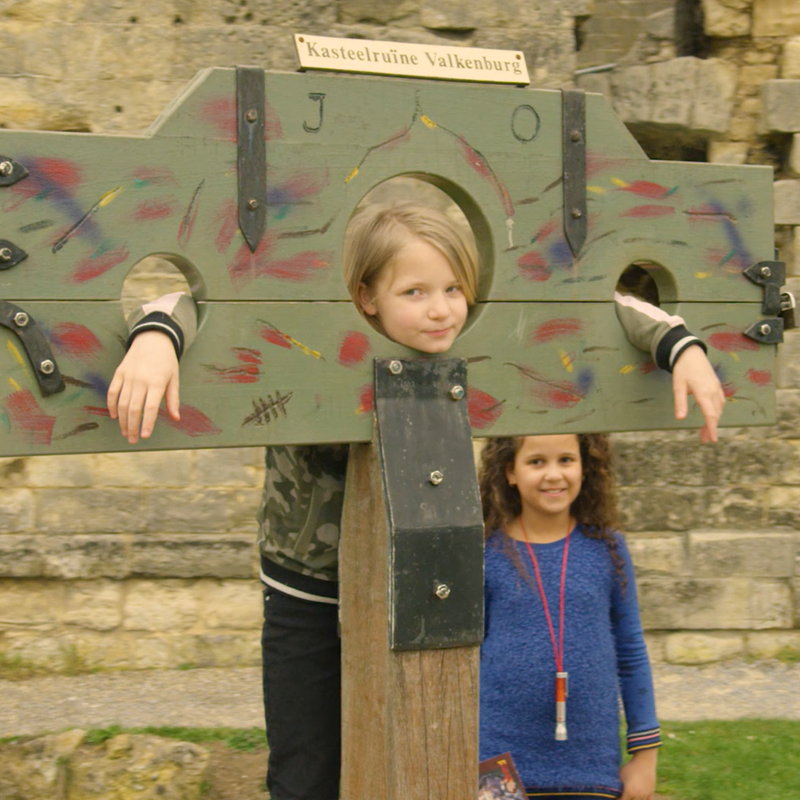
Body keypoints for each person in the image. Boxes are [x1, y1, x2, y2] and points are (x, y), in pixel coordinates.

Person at [106, 202, 723, 800]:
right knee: (305, 775)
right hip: (308, 590)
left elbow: (590, 303)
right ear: (365, 297)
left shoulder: (475, 339)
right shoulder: (307, 330)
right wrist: (157, 337)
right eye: (414, 292)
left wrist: (680, 345)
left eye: (454, 288)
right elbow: (204, 297)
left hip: (419, 588)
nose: (440, 309)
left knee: (416, 767)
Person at [478, 433, 660, 800]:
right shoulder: (486, 552)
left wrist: (645, 757)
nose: (553, 474)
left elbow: (631, 652)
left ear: (584, 467)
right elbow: (466, 659)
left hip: (591, 767)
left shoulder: (608, 549)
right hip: (497, 763)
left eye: (566, 460)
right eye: (536, 462)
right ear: (510, 471)